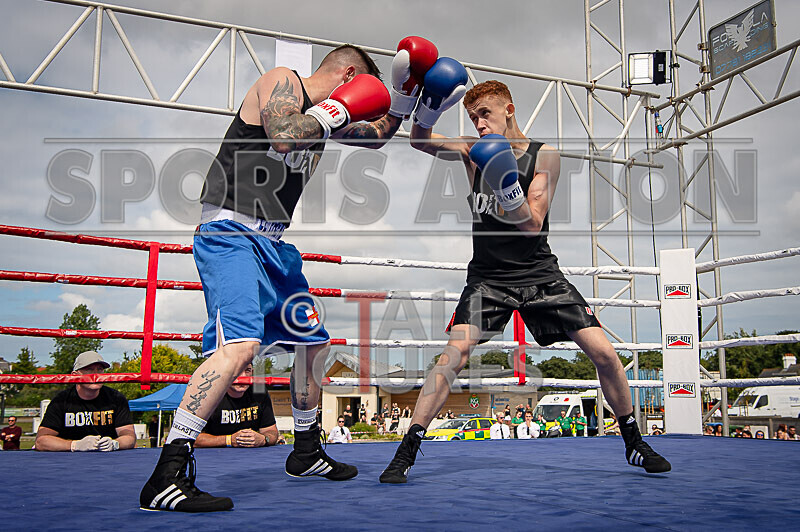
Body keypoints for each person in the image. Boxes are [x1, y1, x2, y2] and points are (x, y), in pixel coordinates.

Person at [139, 40, 410, 512]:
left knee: (312, 344)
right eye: (366, 90)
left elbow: (376, 136)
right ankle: (167, 474)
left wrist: (408, 100)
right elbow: (285, 135)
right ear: (350, 79)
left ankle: (305, 451)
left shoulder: (328, 118)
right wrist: (334, 110)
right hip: (230, 233)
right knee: (239, 346)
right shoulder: (281, 81)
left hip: (274, 245)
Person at [380, 76, 670, 483]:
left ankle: (634, 442)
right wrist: (426, 107)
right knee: (452, 355)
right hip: (488, 277)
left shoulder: (544, 155)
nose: (479, 124)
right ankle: (406, 450)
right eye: (472, 116)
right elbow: (419, 141)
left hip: (540, 274)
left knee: (605, 354)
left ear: (508, 110)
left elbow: (532, 224)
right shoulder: (470, 150)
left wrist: (505, 185)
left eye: (485, 114)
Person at [36, 351, 135, 452]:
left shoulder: (116, 398)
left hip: (107, 461)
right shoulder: (61, 401)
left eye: (100, 369)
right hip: (69, 462)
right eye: (89, 369)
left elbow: (129, 437)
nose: (96, 375)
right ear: (75, 375)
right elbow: (41, 441)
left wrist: (115, 444)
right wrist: (74, 445)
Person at [195, 363, 283, 448]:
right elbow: (192, 438)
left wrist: (264, 439)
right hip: (213, 456)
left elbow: (270, 431)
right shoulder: (208, 394)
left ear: (252, 372)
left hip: (251, 456)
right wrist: (229, 440)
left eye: (247, 370)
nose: (243, 376)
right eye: (237, 370)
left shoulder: (259, 392)